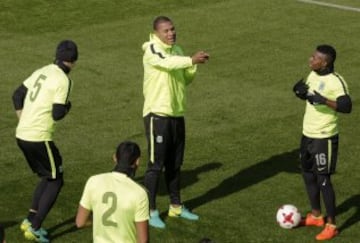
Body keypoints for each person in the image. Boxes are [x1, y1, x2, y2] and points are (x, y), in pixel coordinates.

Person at [141, 15, 209, 229]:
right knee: (155, 166)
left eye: (173, 29)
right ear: (156, 33)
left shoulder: (178, 51)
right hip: (158, 115)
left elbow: (184, 79)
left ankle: (176, 206)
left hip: (177, 115)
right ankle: (150, 211)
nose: (171, 33)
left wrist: (192, 66)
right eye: (166, 31)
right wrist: (190, 60)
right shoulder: (151, 49)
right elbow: (166, 63)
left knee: (175, 165)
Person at [12, 40, 78, 243]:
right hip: (39, 137)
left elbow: (17, 95)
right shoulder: (64, 80)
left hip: (22, 134)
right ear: (74, 61)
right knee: (56, 179)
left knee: (47, 176)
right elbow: (57, 113)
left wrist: (24, 119)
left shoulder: (43, 70)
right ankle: (35, 226)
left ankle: (30, 219)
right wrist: (68, 107)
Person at [293, 44, 352, 240]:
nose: (310, 60)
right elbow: (311, 97)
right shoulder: (313, 75)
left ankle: (332, 225)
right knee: (308, 176)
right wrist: (302, 94)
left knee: (323, 180)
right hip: (307, 133)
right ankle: (317, 216)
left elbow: (346, 106)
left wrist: (324, 100)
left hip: (324, 137)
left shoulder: (336, 81)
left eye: (315, 58)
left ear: (325, 62)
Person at [76, 141, 149, 243]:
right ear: (137, 161)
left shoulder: (93, 181)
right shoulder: (139, 193)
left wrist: (96, 220)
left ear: (115, 157)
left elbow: (80, 222)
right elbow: (143, 240)